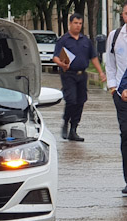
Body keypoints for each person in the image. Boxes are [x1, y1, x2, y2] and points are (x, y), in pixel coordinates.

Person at [52, 13, 106, 142]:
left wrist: (101, 72)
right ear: (70, 24)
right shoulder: (63, 40)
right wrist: (61, 63)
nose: (78, 26)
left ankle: (73, 129)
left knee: (81, 101)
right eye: (75, 23)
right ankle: (66, 122)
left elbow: (93, 57)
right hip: (68, 74)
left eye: (80, 23)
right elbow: (55, 56)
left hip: (82, 75)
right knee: (71, 100)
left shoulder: (85, 40)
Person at [107, 1, 127, 194]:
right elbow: (110, 64)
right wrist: (114, 88)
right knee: (126, 136)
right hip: (122, 97)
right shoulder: (115, 37)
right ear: (123, 14)